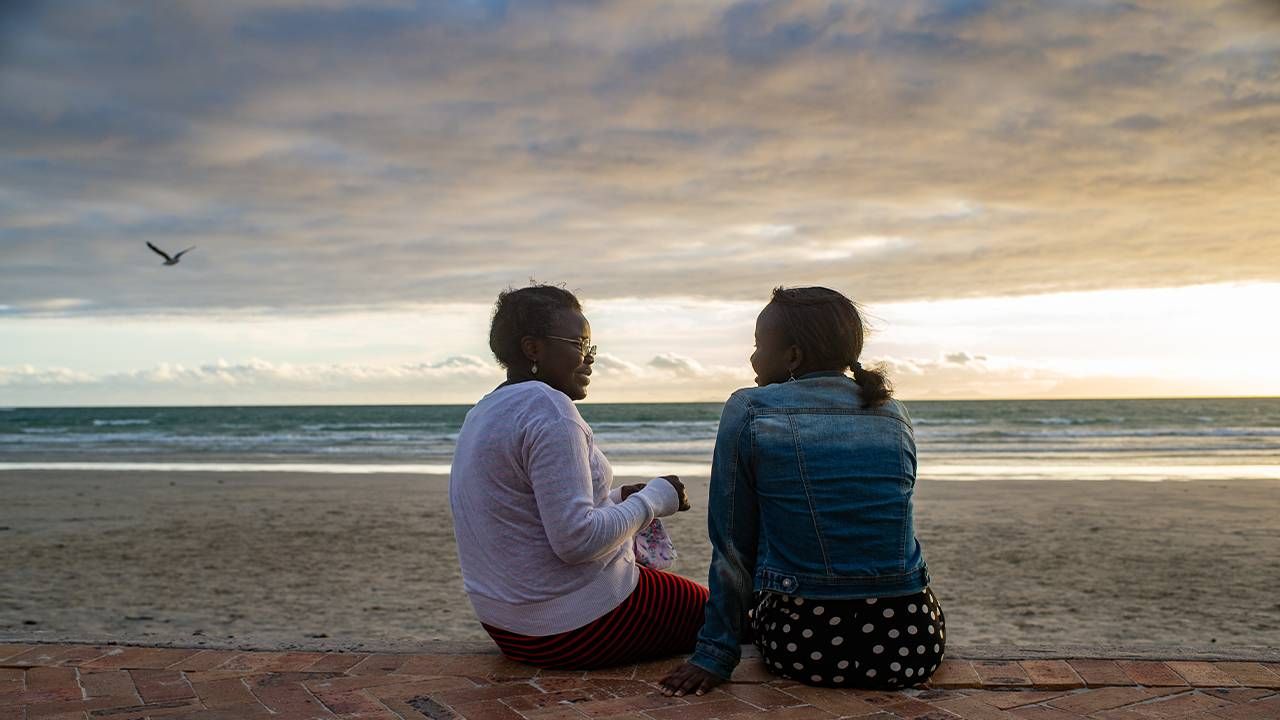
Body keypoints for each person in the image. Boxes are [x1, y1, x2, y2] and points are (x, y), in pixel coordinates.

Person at [661, 286, 944, 694]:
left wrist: (715, 654)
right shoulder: (892, 412)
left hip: (806, 640)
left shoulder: (750, 408)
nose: (752, 357)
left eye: (759, 345)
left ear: (793, 356)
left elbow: (732, 546)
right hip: (913, 639)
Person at [450, 284, 709, 669]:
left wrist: (617, 497)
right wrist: (655, 499)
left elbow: (528, 511)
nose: (589, 359)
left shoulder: (485, 410)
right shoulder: (550, 409)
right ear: (533, 348)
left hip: (508, 626)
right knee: (728, 616)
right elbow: (577, 541)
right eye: (579, 344)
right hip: (573, 627)